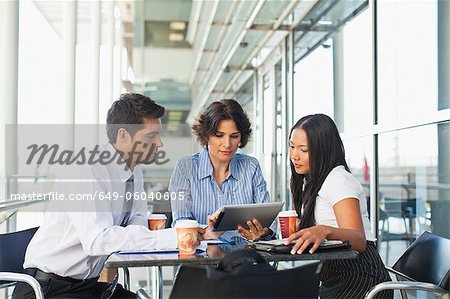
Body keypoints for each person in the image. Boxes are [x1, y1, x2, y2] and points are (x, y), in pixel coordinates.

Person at [13, 93, 204, 299]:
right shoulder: (88, 171)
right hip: (49, 290)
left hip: (88, 287)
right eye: (151, 136)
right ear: (123, 135)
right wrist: (172, 237)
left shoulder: (133, 170)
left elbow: (137, 221)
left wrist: (151, 238)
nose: (159, 144)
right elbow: (98, 240)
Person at [286, 114, 392, 299]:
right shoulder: (311, 181)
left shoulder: (338, 180)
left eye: (304, 149)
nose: (295, 155)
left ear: (323, 150)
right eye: (292, 147)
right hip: (334, 277)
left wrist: (324, 231)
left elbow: (359, 240)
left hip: (361, 278)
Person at [169, 99, 275, 241]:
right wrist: (207, 231)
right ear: (207, 135)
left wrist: (263, 232)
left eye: (234, 136)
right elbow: (180, 222)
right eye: (219, 135)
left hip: (244, 256)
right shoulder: (185, 167)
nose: (227, 144)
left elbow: (269, 221)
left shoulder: (251, 166)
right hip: (200, 258)